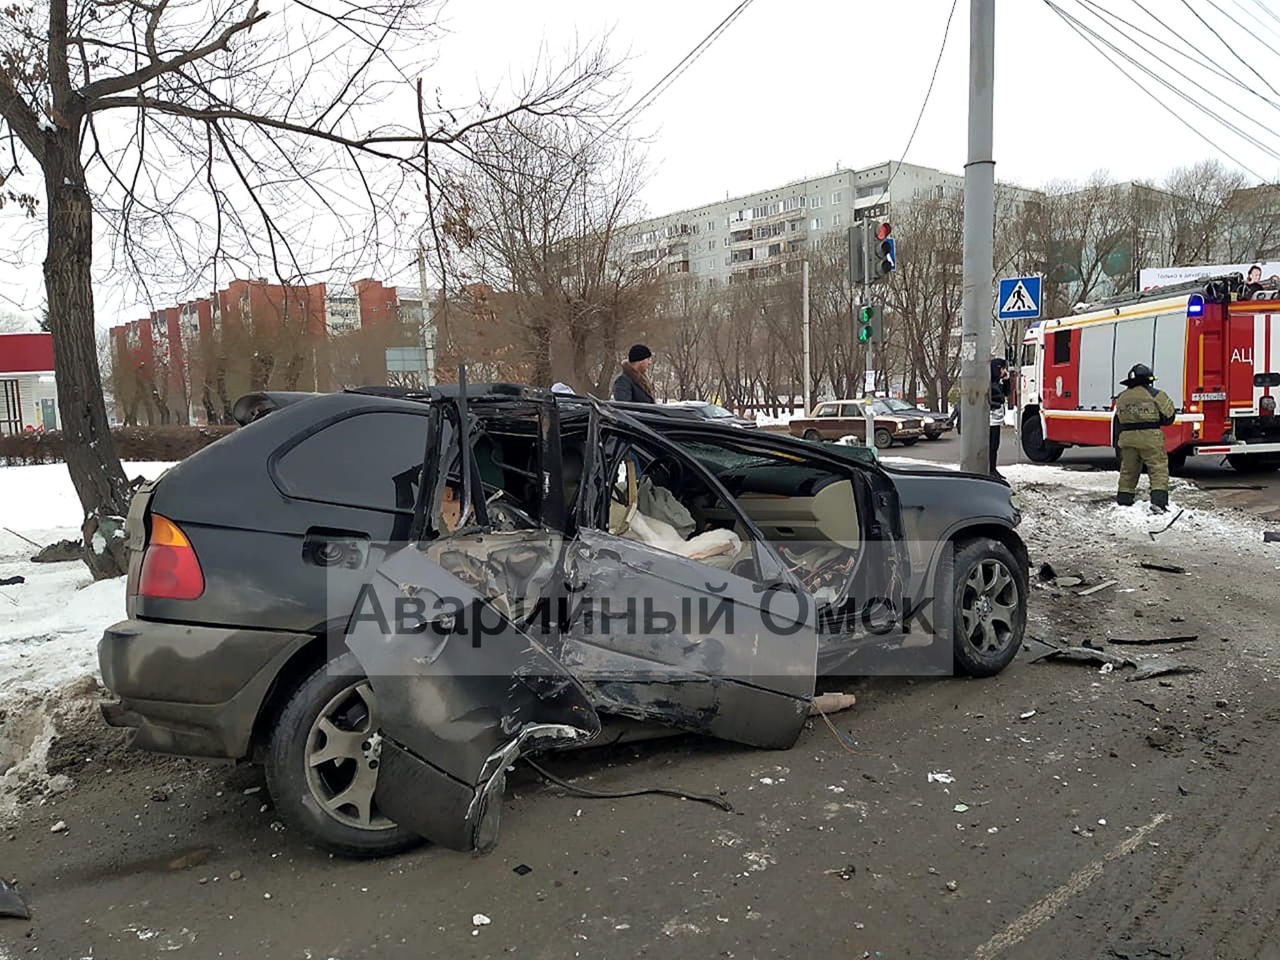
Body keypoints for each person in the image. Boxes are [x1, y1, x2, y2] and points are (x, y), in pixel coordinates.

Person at [1114, 363, 1176, 513]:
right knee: (1158, 469)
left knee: (1128, 470)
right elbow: (1169, 416)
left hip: (1127, 438)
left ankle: (1124, 500)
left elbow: (1118, 420)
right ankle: (1159, 503)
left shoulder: (1121, 397)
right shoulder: (1156, 395)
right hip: (1150, 438)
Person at [989, 357, 1010, 478]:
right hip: (991, 420)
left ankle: (993, 468)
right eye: (1003, 368)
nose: (1004, 371)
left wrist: (1006, 380)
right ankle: (991, 469)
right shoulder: (991, 383)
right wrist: (997, 404)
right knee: (992, 445)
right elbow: (997, 398)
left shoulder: (996, 382)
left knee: (995, 445)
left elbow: (1006, 393)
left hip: (996, 420)